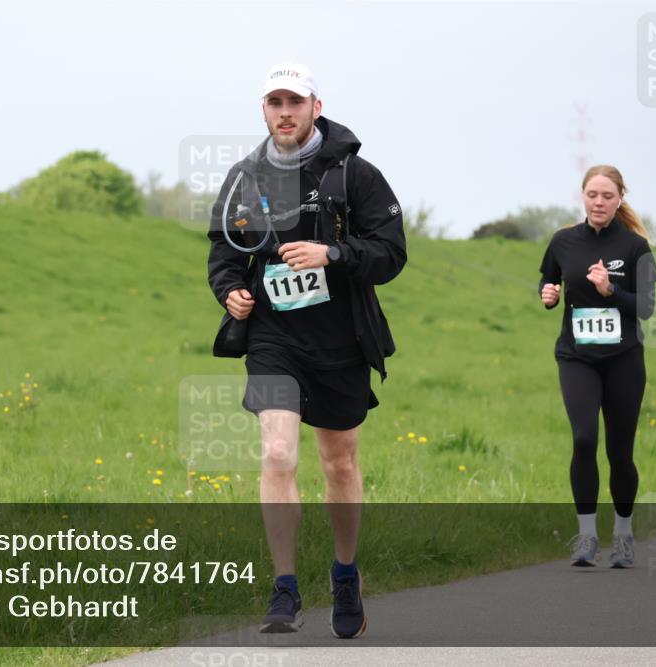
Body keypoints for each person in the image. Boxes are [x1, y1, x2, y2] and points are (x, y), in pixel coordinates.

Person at [207, 63, 406, 638]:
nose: (284, 112)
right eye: (274, 102)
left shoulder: (355, 174)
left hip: (341, 340)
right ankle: (285, 587)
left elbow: (391, 253)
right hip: (274, 341)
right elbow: (224, 250)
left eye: (295, 101)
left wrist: (333, 256)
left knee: (338, 461)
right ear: (263, 111)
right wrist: (232, 291)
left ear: (316, 107)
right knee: (276, 454)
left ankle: (345, 572)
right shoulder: (244, 178)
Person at [538, 165, 656, 568]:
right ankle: (587, 536)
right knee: (585, 438)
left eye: (607, 196)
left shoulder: (635, 247)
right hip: (577, 358)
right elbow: (548, 283)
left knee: (620, 450)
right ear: (583, 197)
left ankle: (623, 536)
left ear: (620, 199)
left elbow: (645, 307)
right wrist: (549, 295)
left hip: (624, 360)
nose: (599, 202)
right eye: (592, 194)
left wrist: (611, 291)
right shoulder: (562, 242)